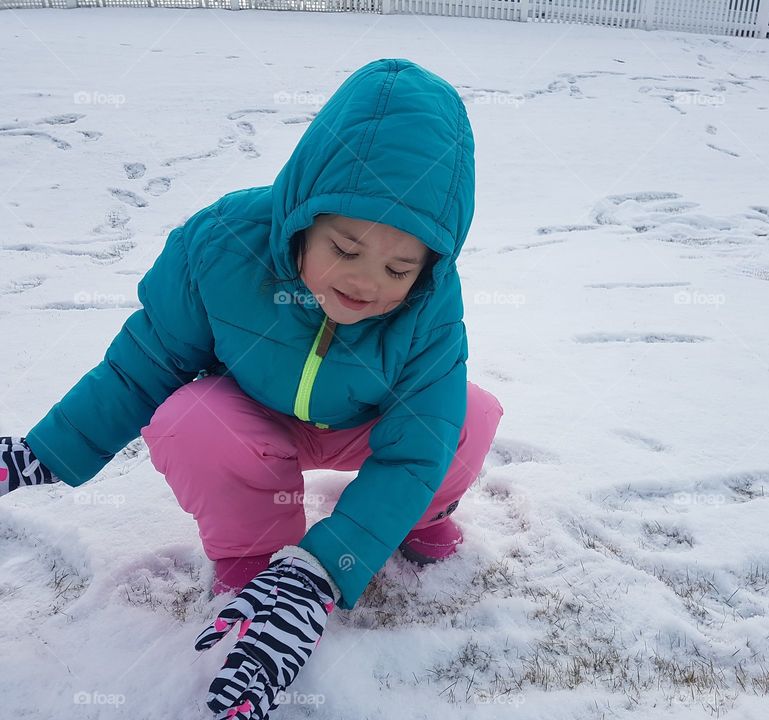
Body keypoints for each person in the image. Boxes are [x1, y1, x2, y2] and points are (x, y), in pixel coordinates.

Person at [0, 58, 503, 720]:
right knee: (190, 418)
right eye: (345, 249)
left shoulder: (432, 303)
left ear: (430, 265)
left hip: (365, 425)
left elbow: (417, 445)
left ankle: (409, 521)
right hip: (255, 424)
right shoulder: (222, 245)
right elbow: (143, 364)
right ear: (304, 214)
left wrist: (325, 569)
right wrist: (45, 451)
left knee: (466, 416)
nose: (365, 282)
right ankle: (253, 553)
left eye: (398, 268)